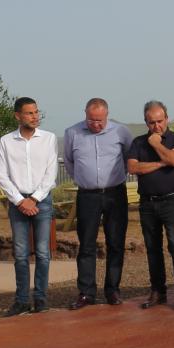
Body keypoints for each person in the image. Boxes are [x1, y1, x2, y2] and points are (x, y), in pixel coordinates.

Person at [63, 98, 133, 310]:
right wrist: (86, 180)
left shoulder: (121, 132)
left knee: (116, 243)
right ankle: (86, 293)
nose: (96, 124)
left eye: (100, 120)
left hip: (115, 194)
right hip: (87, 196)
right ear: (85, 115)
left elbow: (129, 158)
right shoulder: (72, 133)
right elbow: (69, 162)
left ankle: (112, 290)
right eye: (92, 120)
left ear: (107, 115)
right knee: (86, 244)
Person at [0, 97, 58, 316]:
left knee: (43, 253)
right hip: (17, 203)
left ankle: (40, 298)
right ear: (17, 116)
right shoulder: (5, 141)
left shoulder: (49, 139)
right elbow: (1, 175)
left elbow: (51, 173)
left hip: (42, 201)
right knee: (20, 254)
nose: (35, 116)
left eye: (36, 112)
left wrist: (35, 198)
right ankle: (21, 300)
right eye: (29, 113)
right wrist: (20, 201)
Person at [129, 101, 174, 312]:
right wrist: (161, 162)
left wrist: (157, 145)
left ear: (167, 118)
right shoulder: (138, 142)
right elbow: (133, 167)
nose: (156, 126)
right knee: (152, 249)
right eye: (151, 122)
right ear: (146, 122)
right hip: (147, 202)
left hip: (172, 200)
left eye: (160, 121)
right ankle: (158, 291)